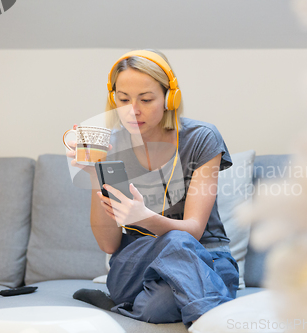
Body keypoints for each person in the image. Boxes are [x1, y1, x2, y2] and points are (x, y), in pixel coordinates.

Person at [67, 49, 238, 327]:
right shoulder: (109, 146)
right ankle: (216, 323)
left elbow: (193, 230)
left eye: (145, 99)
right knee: (173, 243)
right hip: (138, 261)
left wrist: (142, 217)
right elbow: (109, 244)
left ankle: (123, 305)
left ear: (171, 98)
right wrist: (92, 173)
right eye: (123, 100)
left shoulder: (201, 138)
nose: (132, 110)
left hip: (205, 254)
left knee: (158, 305)